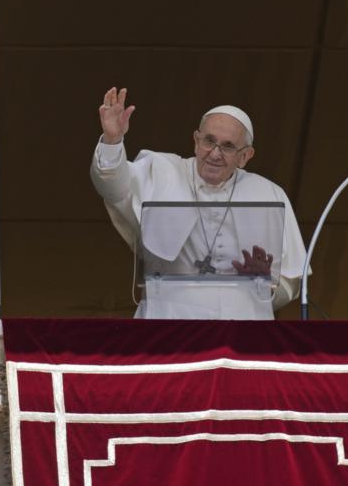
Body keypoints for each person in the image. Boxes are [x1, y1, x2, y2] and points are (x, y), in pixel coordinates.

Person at [90, 86, 308, 319]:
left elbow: (291, 281)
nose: (215, 154)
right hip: (169, 316)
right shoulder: (160, 170)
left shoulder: (270, 194)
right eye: (209, 141)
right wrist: (112, 140)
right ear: (196, 140)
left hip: (243, 322)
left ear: (245, 156)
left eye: (228, 146)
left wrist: (267, 281)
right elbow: (114, 188)